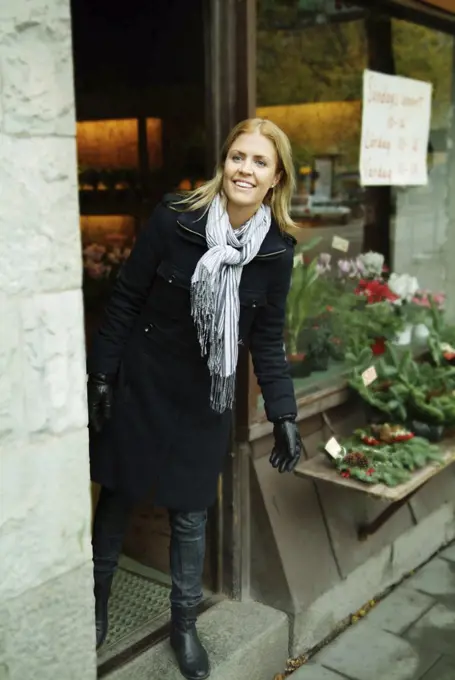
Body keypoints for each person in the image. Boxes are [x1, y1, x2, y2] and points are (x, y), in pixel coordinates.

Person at [87, 117, 304, 680]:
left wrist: (283, 414)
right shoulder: (175, 219)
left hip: (208, 393)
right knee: (117, 498)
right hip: (146, 382)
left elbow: (268, 339)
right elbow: (125, 301)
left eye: (260, 162)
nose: (245, 169)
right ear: (223, 162)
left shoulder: (277, 252)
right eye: (238, 157)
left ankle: (184, 625)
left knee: (189, 515)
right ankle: (96, 606)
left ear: (276, 177)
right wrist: (103, 376)